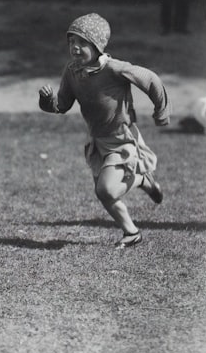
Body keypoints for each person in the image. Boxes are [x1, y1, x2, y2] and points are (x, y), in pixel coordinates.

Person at [38, 13, 169, 247]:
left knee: (106, 189)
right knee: (104, 193)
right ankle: (131, 232)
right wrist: (46, 101)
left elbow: (151, 80)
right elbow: (62, 106)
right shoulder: (72, 71)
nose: (75, 48)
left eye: (82, 43)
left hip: (122, 139)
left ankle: (139, 179)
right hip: (98, 141)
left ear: (97, 46)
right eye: (71, 42)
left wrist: (161, 111)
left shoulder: (115, 69)